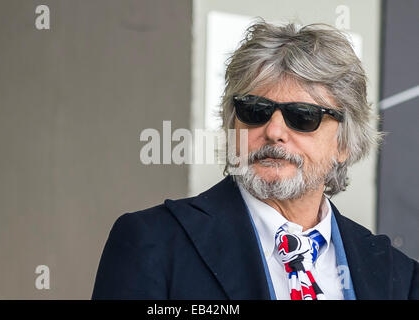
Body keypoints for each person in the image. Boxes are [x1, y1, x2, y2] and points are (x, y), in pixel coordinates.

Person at [92, 19, 419, 300]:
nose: (274, 130)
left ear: (344, 143)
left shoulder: (398, 276)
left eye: (302, 116)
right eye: (255, 111)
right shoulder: (153, 243)